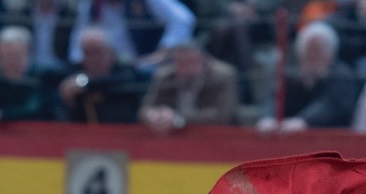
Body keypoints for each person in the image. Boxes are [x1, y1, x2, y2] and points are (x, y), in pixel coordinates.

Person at [256, 20, 359, 132]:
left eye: (318, 50)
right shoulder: (292, 77)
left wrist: (304, 121)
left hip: (332, 140)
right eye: (308, 50)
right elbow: (273, 99)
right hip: (291, 140)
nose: (312, 55)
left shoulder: (342, 75)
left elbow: (332, 104)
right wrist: (268, 118)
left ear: (331, 53)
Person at [65, 0, 196, 72]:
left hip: (141, 64)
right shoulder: (90, 5)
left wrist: (164, 51)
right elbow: (77, 45)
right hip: (106, 67)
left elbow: (183, 19)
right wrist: (84, 62)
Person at [139, 41, 239, 131]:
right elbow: (146, 109)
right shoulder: (164, 76)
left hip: (213, 134)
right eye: (181, 63)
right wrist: (154, 115)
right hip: (171, 134)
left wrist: (178, 119)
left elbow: (222, 115)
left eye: (192, 62)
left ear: (204, 60)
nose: (187, 68)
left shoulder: (223, 76)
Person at [57, 25, 148, 122]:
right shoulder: (74, 69)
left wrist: (84, 83)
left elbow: (122, 79)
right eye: (87, 53)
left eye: (97, 52)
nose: (93, 59)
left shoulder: (125, 70)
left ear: (111, 53)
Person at [0, 25, 51, 129]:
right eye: (1, 56)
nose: (7, 61)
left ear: (27, 53)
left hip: (37, 133)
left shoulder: (41, 75)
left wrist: (0, 114)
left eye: (13, 56)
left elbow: (34, 109)